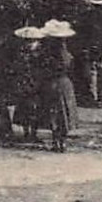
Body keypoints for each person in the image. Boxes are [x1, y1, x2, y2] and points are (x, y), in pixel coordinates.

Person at [37, 19, 80, 152]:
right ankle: (63, 141)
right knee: (64, 112)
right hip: (65, 83)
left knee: (54, 112)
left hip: (53, 83)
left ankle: (56, 141)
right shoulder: (67, 52)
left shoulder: (49, 52)